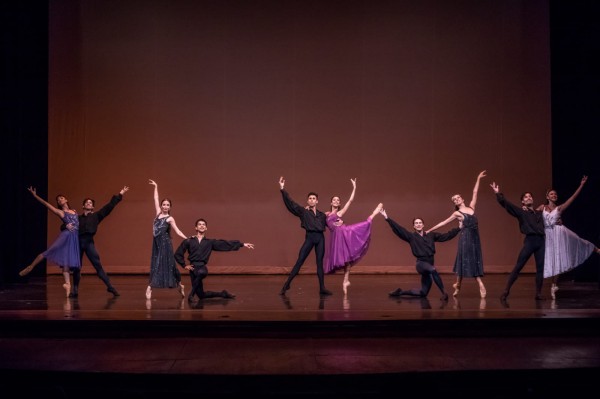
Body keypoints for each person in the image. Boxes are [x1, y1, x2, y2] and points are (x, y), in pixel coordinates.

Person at [536, 175, 600, 299]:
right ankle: (553, 285)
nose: (554, 196)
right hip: (549, 235)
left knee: (577, 242)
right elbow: (532, 215)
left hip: (561, 233)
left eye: (555, 194)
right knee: (553, 260)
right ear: (547, 196)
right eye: (551, 194)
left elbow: (573, 198)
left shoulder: (560, 208)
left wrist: (581, 185)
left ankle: (595, 249)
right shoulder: (542, 207)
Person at [426, 170, 487, 298]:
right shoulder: (457, 214)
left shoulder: (471, 208)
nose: (456, 199)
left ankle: (458, 285)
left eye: (458, 197)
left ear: (462, 199)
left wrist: (478, 178)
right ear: (454, 203)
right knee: (465, 260)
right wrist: (429, 230)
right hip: (465, 238)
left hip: (475, 239)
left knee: (471, 260)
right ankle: (480, 284)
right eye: (454, 199)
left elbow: (475, 192)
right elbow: (443, 223)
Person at [379, 208, 460, 301]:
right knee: (433, 270)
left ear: (423, 224)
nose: (418, 224)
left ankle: (400, 292)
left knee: (423, 293)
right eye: (416, 223)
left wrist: (458, 229)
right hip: (421, 264)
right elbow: (399, 229)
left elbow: (446, 236)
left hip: (430, 263)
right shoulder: (411, 237)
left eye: (420, 223)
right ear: (414, 226)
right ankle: (444, 293)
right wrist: (387, 218)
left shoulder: (431, 235)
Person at [64, 186, 129, 298]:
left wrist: (120, 194)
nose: (89, 203)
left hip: (89, 242)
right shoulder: (77, 218)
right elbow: (64, 225)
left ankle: (110, 286)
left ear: (93, 206)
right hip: (78, 243)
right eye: (87, 202)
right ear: (83, 206)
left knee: (98, 266)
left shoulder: (96, 216)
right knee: (76, 268)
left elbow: (109, 206)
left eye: (90, 203)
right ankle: (75, 290)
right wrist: (66, 225)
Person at [19, 187, 81, 298]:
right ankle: (31, 266)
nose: (60, 200)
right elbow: (46, 204)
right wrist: (35, 196)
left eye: (61, 198)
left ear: (66, 200)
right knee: (50, 251)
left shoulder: (75, 211)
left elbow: (79, 222)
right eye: (58, 200)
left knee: (66, 260)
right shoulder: (61, 212)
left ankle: (67, 284)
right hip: (66, 235)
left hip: (74, 238)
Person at [324, 178, 382, 295]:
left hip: (344, 233)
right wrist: (308, 208)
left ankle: (373, 215)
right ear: (331, 203)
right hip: (336, 239)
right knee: (345, 260)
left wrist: (354, 187)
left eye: (338, 200)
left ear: (339, 203)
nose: (336, 201)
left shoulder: (339, 213)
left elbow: (350, 201)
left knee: (348, 258)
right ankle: (345, 281)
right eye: (334, 200)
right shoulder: (326, 214)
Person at [174, 218, 254, 301]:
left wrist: (242, 244)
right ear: (196, 228)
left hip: (202, 267)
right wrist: (184, 265)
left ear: (206, 228)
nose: (202, 226)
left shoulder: (209, 242)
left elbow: (225, 244)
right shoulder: (189, 241)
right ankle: (223, 293)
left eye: (203, 224)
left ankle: (191, 295)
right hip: (193, 268)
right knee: (201, 295)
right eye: (199, 224)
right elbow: (178, 254)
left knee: (201, 272)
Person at [490, 182, 546, 300]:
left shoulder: (540, 213)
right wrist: (497, 193)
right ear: (523, 202)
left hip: (541, 242)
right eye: (526, 197)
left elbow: (551, 219)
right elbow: (506, 204)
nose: (529, 197)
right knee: (518, 266)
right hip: (530, 241)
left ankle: (538, 294)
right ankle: (506, 291)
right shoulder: (521, 212)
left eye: (530, 196)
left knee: (540, 268)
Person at [278, 176, 332, 296]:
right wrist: (282, 188)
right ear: (308, 201)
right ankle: (286, 285)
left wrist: (340, 224)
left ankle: (322, 288)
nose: (312, 200)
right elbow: (291, 204)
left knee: (319, 263)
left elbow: (332, 224)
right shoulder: (303, 212)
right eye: (310, 198)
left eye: (314, 198)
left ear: (317, 201)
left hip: (320, 239)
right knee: (300, 261)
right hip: (310, 238)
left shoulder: (322, 215)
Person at [146, 179, 187, 300]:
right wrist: (156, 186)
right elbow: (155, 199)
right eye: (163, 204)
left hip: (165, 244)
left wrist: (188, 238)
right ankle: (180, 285)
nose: (165, 206)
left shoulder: (170, 218)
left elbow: (177, 231)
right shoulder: (158, 213)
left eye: (167, 205)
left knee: (160, 265)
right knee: (161, 265)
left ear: (170, 207)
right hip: (157, 244)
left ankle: (149, 288)